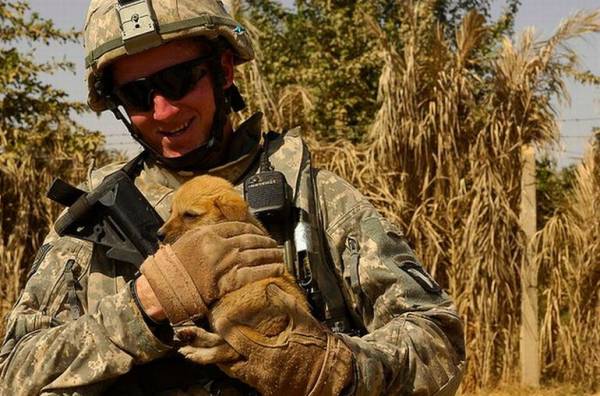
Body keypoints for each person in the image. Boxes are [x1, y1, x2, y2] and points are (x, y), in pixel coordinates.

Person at [0, 0, 466, 394]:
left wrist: (333, 367)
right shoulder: (95, 221)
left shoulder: (317, 200)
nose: (164, 110)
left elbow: (438, 343)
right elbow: (13, 372)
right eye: (139, 95)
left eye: (180, 79)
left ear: (223, 70)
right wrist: (137, 312)